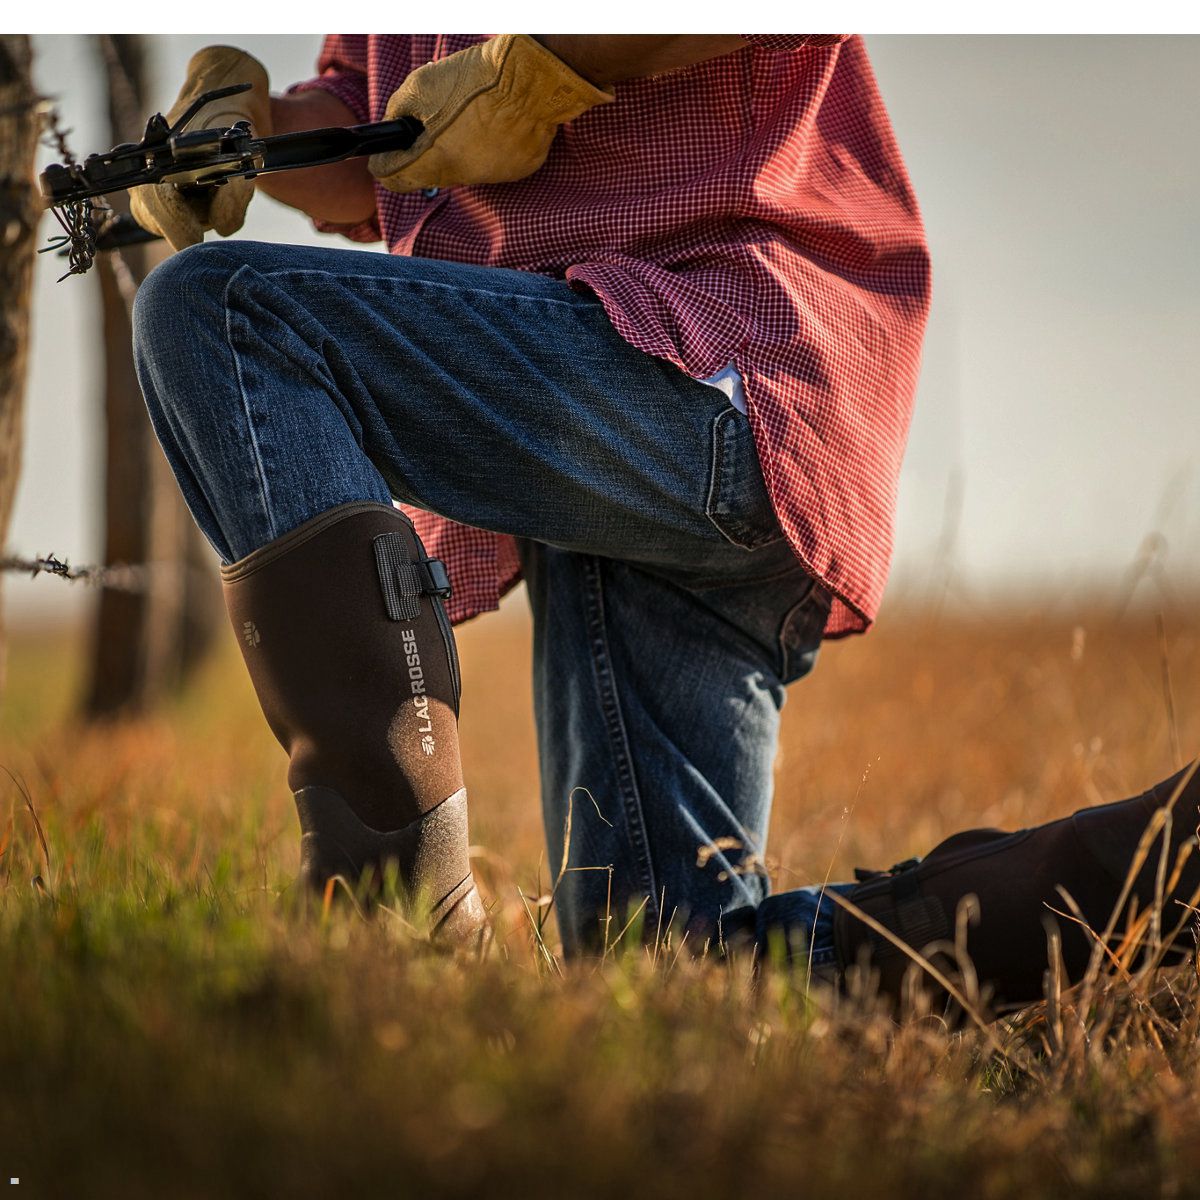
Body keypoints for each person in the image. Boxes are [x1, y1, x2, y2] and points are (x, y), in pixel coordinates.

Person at [131, 35, 1198, 1011]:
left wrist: (546, 59)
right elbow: (389, 136)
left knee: (223, 316)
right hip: (610, 405)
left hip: (719, 364)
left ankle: (391, 943)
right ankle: (1166, 865)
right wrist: (257, 136)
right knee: (667, 984)